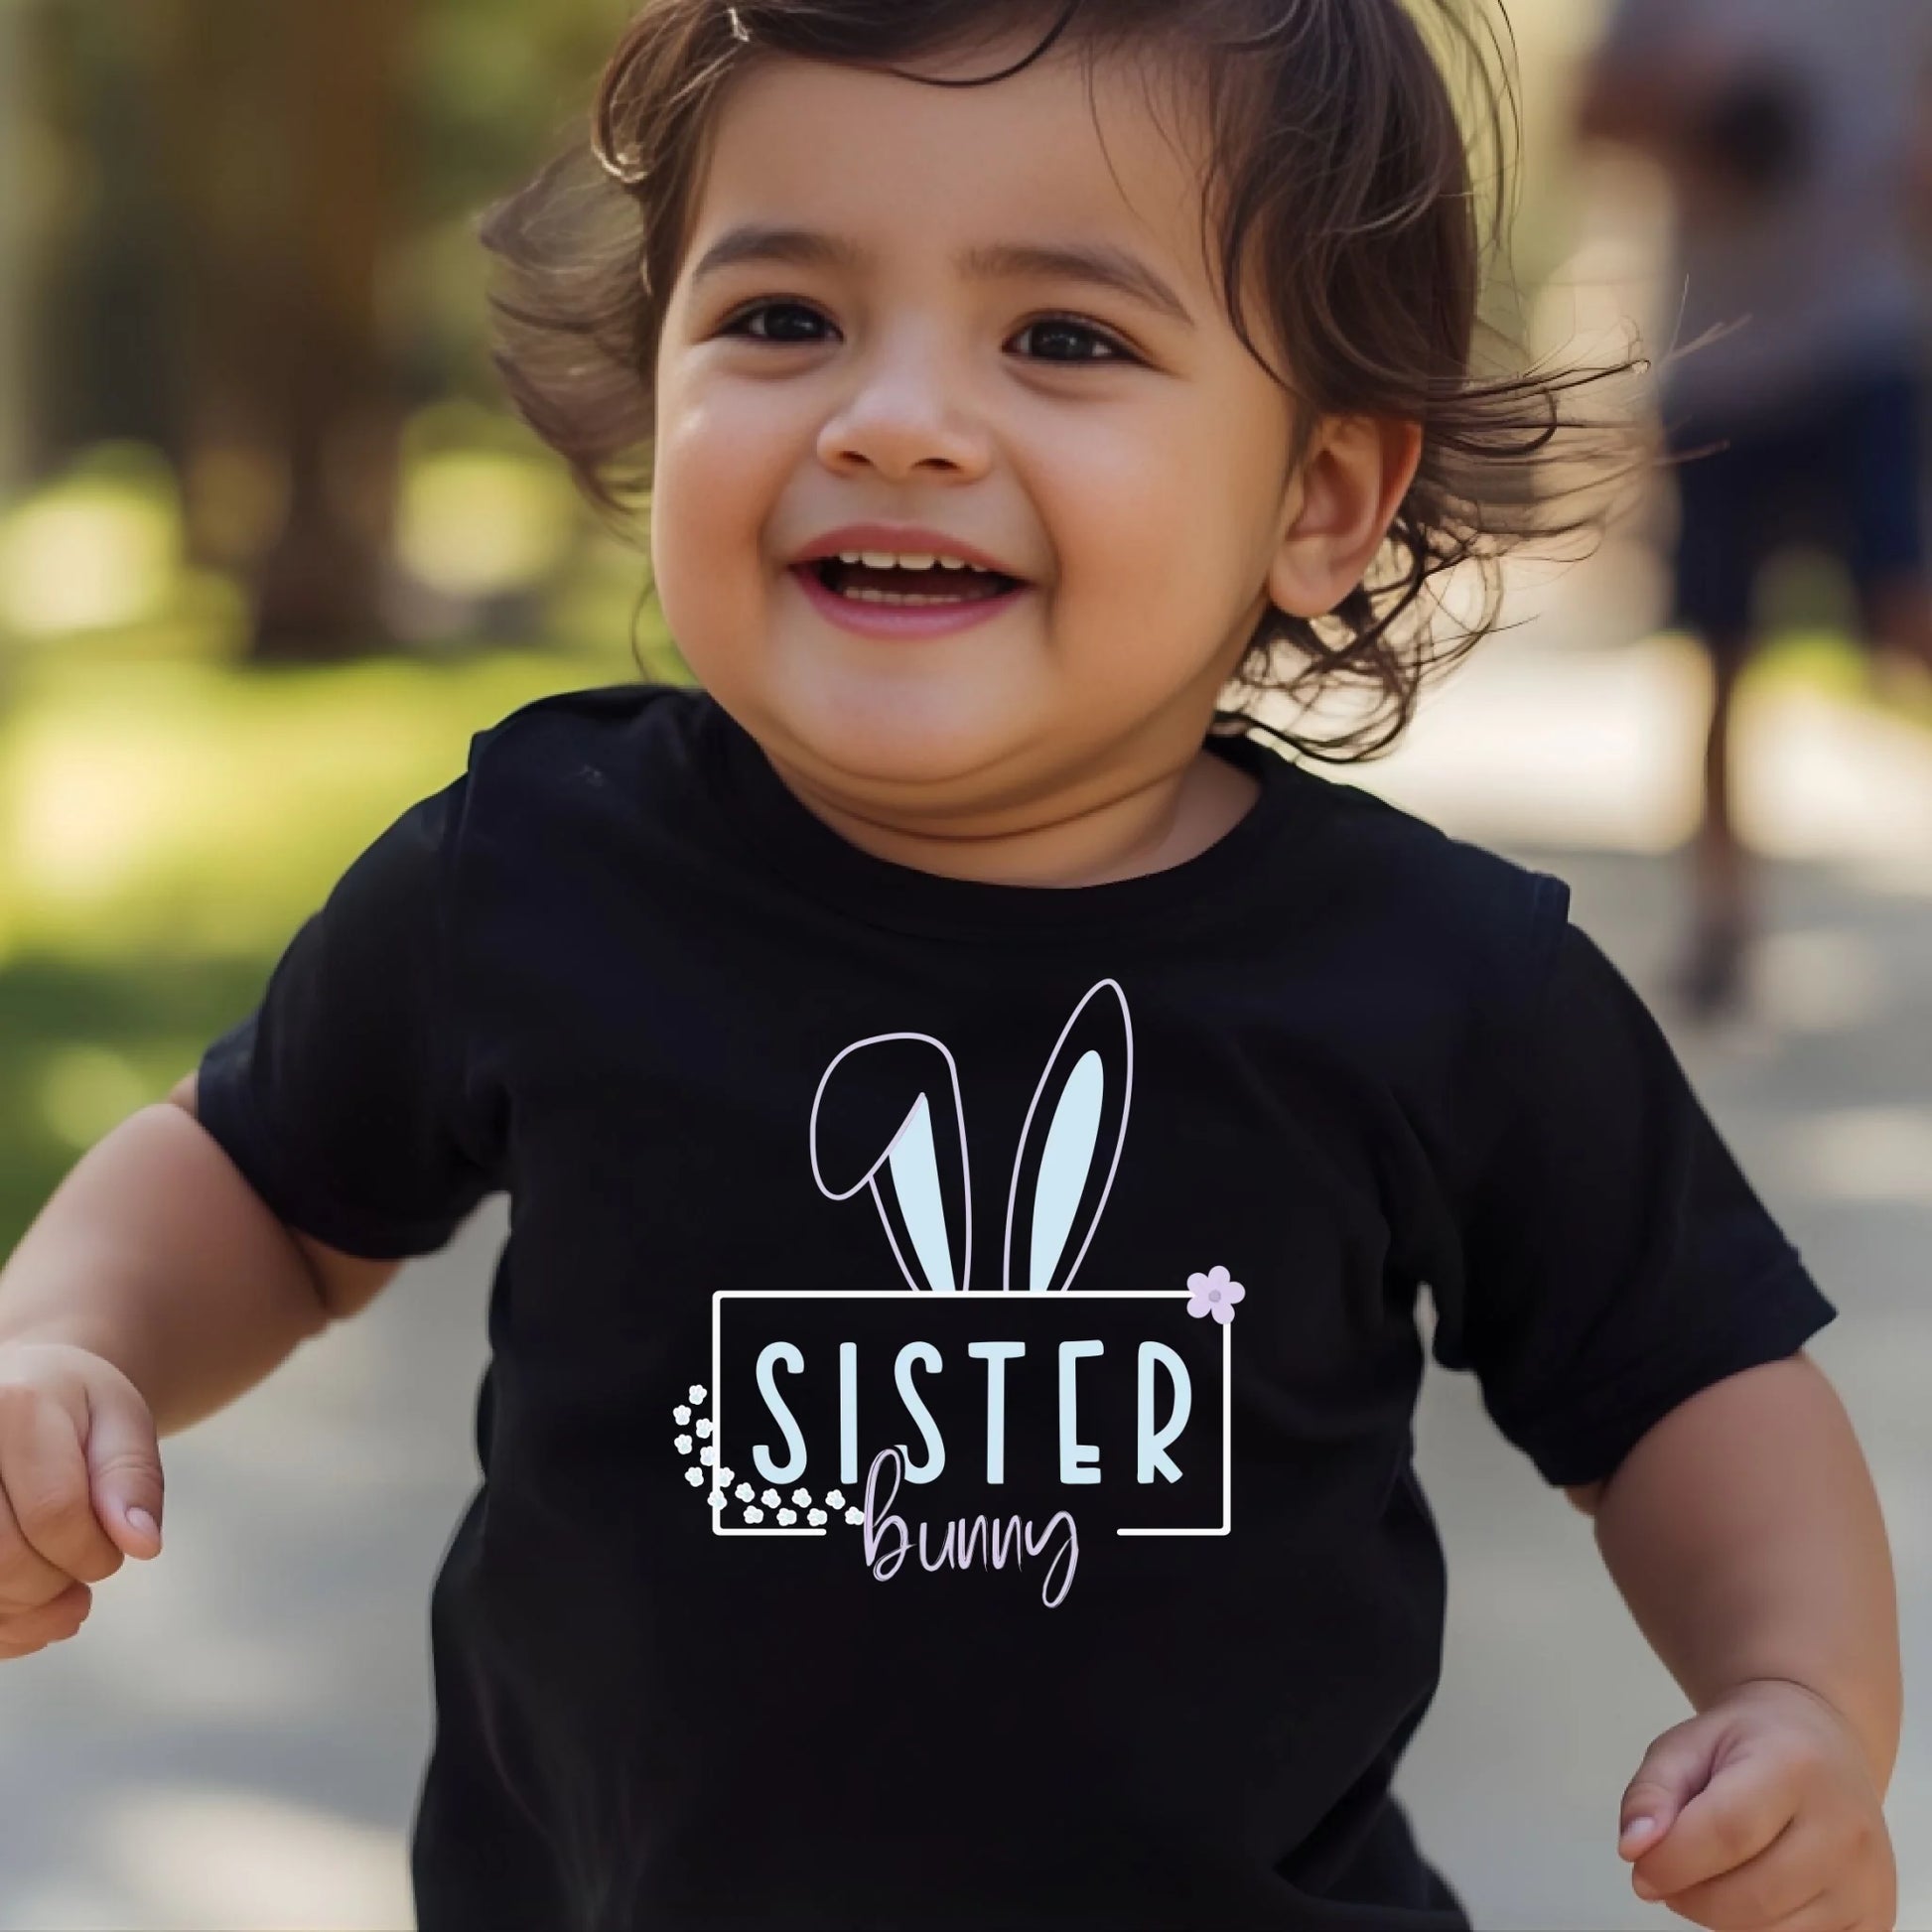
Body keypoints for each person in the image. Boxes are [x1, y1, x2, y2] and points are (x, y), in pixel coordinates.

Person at [0, 3, 1902, 1927]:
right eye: (782, 319)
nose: (888, 416)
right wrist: (71, 1345)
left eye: (1061, 338)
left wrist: (1794, 1694)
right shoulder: (534, 874)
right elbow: (259, 1179)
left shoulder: (1434, 985)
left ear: (1317, 497)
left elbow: (1687, 1380)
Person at [1575, 0, 1932, 1018]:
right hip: (1720, 355)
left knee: (1902, 605)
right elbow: (1586, 116)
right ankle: (1720, 917)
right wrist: (1682, 95)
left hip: (1864, 334)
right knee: (1717, 647)